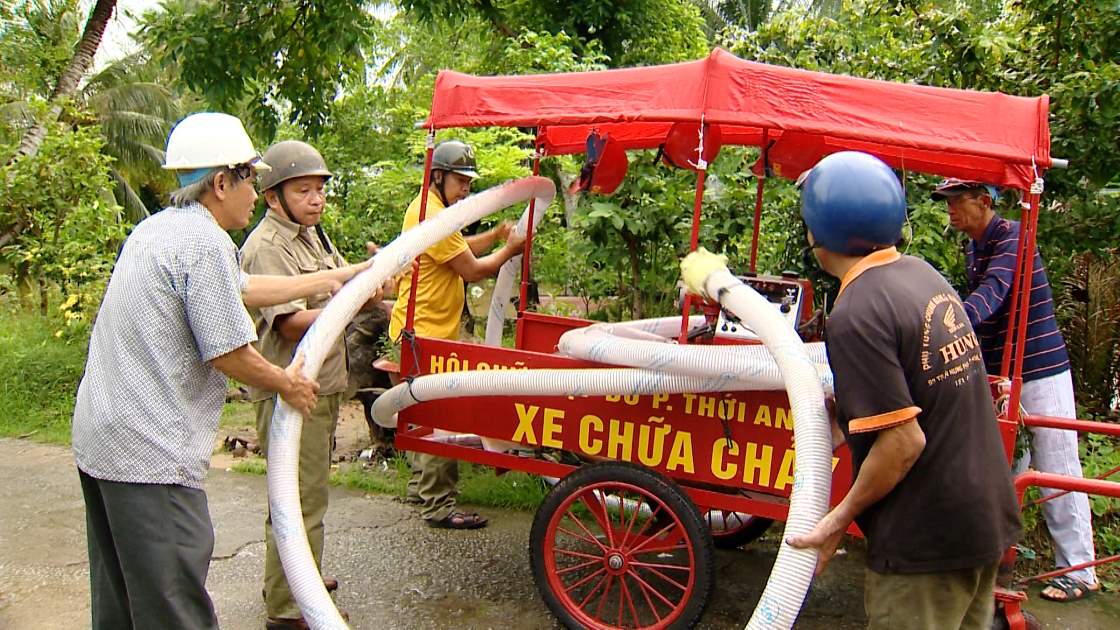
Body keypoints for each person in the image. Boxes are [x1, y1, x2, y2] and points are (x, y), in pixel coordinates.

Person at [71, 113, 369, 630]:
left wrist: (339, 277)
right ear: (221, 183)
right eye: (250, 177)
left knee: (124, 597)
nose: (256, 192)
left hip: (101, 440)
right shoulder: (204, 244)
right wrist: (287, 382)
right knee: (172, 599)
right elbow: (228, 352)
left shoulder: (159, 229)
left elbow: (245, 288)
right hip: (148, 453)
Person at [759, 151, 1019, 629]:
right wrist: (845, 420)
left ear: (819, 231)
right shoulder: (921, 275)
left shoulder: (856, 310)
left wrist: (836, 520)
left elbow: (903, 440)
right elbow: (922, 391)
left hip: (926, 545)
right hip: (982, 521)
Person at [935, 177, 1098, 602]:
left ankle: (1079, 570)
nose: (950, 209)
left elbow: (994, 292)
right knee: (1004, 468)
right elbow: (990, 316)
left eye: (956, 200)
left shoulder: (1012, 236)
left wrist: (947, 327)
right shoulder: (974, 247)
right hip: (1005, 374)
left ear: (983, 201)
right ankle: (996, 564)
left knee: (1057, 467)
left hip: (1041, 369)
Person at [241, 140, 381, 629]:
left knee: (308, 494)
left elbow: (342, 290)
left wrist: (370, 288)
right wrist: (353, 303)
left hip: (320, 386)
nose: (316, 199)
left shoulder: (313, 237)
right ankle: (288, 609)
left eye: (320, 189)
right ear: (272, 196)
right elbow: (289, 324)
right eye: (303, 191)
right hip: (290, 393)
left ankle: (303, 578)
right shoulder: (267, 247)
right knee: (298, 500)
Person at [387, 139, 525, 529]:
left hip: (425, 329)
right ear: (438, 177)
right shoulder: (433, 216)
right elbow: (472, 269)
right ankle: (439, 505)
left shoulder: (431, 210)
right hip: (424, 333)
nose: (466, 189)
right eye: (460, 181)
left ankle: (420, 488)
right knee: (440, 415)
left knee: (423, 409)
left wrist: (495, 236)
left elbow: (458, 250)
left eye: (469, 182)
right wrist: (510, 249)